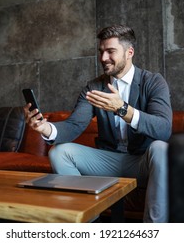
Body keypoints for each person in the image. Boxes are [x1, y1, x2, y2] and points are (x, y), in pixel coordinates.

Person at [23, 25, 172, 223]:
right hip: (108, 160)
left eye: (111, 52)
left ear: (129, 52)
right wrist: (46, 128)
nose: (103, 58)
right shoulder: (94, 87)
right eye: (101, 52)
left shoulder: (153, 82)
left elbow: (163, 129)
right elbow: (74, 125)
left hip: (141, 161)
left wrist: (123, 109)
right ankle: (87, 223)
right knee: (59, 152)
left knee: (161, 149)